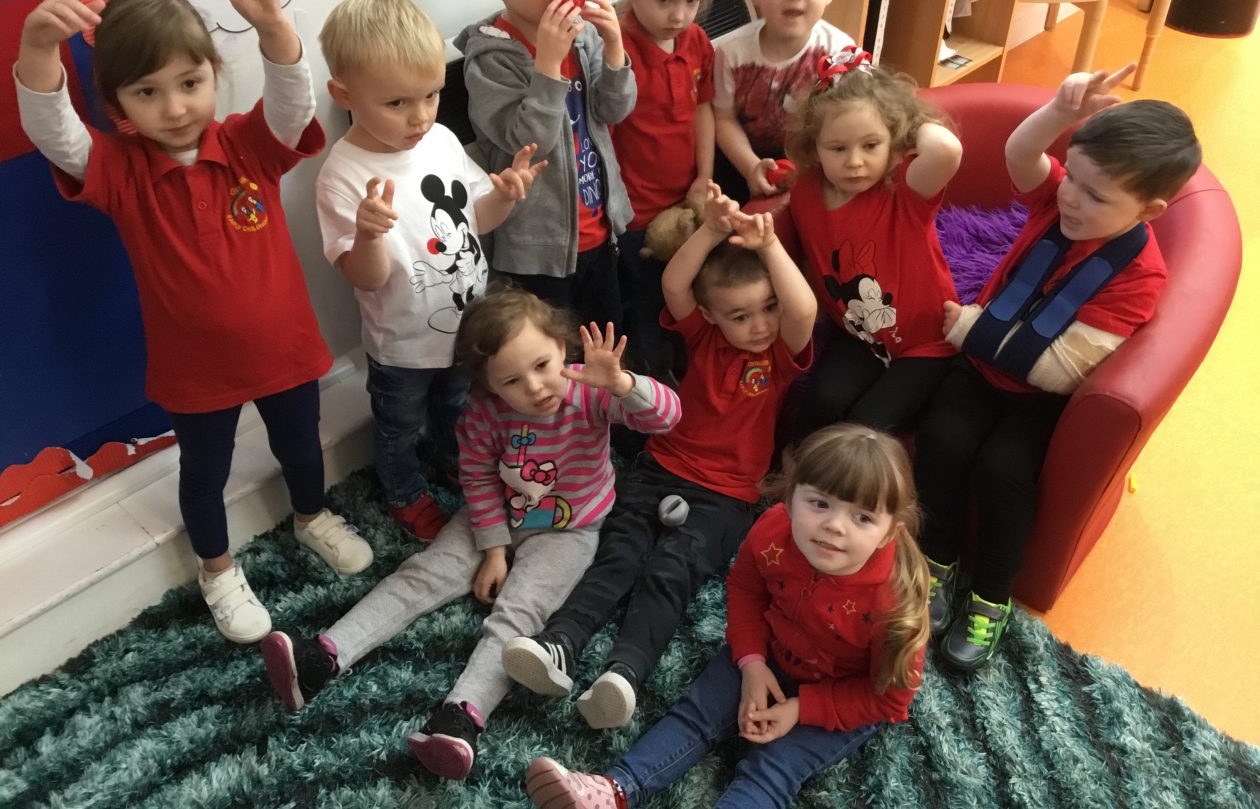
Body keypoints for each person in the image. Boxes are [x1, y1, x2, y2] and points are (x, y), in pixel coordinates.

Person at [14, 0, 372, 644]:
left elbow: (291, 104)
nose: (175, 107)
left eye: (189, 82)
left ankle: (312, 516)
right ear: (117, 101)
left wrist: (273, 26)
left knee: (302, 446)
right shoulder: (118, 170)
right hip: (195, 372)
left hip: (286, 350)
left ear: (213, 72)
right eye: (147, 92)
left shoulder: (246, 144)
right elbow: (55, 132)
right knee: (204, 473)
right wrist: (36, 50)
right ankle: (217, 570)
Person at [259, 287, 680, 781]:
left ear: (562, 347)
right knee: (420, 575)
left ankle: (463, 717)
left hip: (571, 530)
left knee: (519, 615)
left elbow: (667, 417)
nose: (535, 387)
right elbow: (478, 479)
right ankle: (323, 656)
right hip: (496, 513)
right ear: (487, 385)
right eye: (512, 380)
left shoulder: (591, 391)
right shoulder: (483, 414)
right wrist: (494, 549)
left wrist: (623, 382)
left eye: (542, 365)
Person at [916, 65, 1201, 671]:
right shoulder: (1059, 201)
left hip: (1039, 399)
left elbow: (1060, 370)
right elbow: (1019, 154)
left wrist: (966, 327)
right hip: (981, 370)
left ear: (1149, 210)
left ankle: (991, 596)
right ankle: (936, 562)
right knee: (941, 440)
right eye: (1073, 176)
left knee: (1004, 473)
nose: (1071, 196)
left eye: (1096, 196)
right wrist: (1058, 114)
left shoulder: (1139, 277)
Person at [502, 183, 816, 730]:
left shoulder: (780, 355)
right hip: (661, 466)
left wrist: (768, 245)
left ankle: (624, 674)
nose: (760, 324)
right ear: (712, 316)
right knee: (619, 553)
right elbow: (674, 283)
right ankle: (560, 642)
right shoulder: (704, 337)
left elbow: (804, 308)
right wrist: (711, 229)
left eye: (768, 308)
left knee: (672, 570)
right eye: (740, 316)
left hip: (727, 496)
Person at [523, 423, 931, 809]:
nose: (835, 526)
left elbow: (889, 696)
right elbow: (746, 590)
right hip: (768, 652)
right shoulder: (773, 529)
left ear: (890, 532)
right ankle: (616, 789)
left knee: (772, 770)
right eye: (820, 503)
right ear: (790, 498)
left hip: (841, 691)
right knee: (694, 716)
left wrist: (801, 709)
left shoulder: (896, 605)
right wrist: (751, 662)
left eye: (862, 517)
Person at [314, 0, 544, 542]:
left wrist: (505, 196)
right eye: (397, 103)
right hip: (402, 347)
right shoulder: (342, 175)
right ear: (344, 95)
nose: (420, 116)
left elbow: (477, 219)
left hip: (469, 328)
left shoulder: (440, 140)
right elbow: (365, 277)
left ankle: (456, 459)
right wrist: (368, 234)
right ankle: (404, 492)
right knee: (397, 427)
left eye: (432, 94)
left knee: (458, 405)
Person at [455, 0, 636, 328]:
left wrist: (614, 48)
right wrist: (549, 66)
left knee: (606, 339)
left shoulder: (584, 35)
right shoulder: (491, 58)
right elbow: (528, 140)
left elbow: (615, 111)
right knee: (552, 349)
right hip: (537, 251)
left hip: (599, 229)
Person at [783, 48, 962, 442]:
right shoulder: (805, 192)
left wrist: (908, 121)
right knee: (821, 402)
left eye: (870, 145)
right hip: (859, 337)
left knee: (867, 427)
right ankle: (795, 473)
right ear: (815, 148)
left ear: (895, 143)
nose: (854, 162)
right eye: (838, 148)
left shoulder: (904, 191)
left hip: (926, 344)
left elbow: (946, 150)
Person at [613, 0, 722, 383]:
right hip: (635, 217)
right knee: (645, 306)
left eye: (692, 0)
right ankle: (649, 385)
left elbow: (704, 109)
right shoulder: (616, 46)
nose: (679, 15)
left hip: (687, 204)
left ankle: (689, 373)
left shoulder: (696, 42)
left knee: (689, 295)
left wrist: (705, 175)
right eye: (664, 0)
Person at [713, 0, 855, 201]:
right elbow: (723, 120)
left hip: (816, 162)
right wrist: (750, 167)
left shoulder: (841, 52)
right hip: (742, 160)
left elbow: (850, 125)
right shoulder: (729, 53)